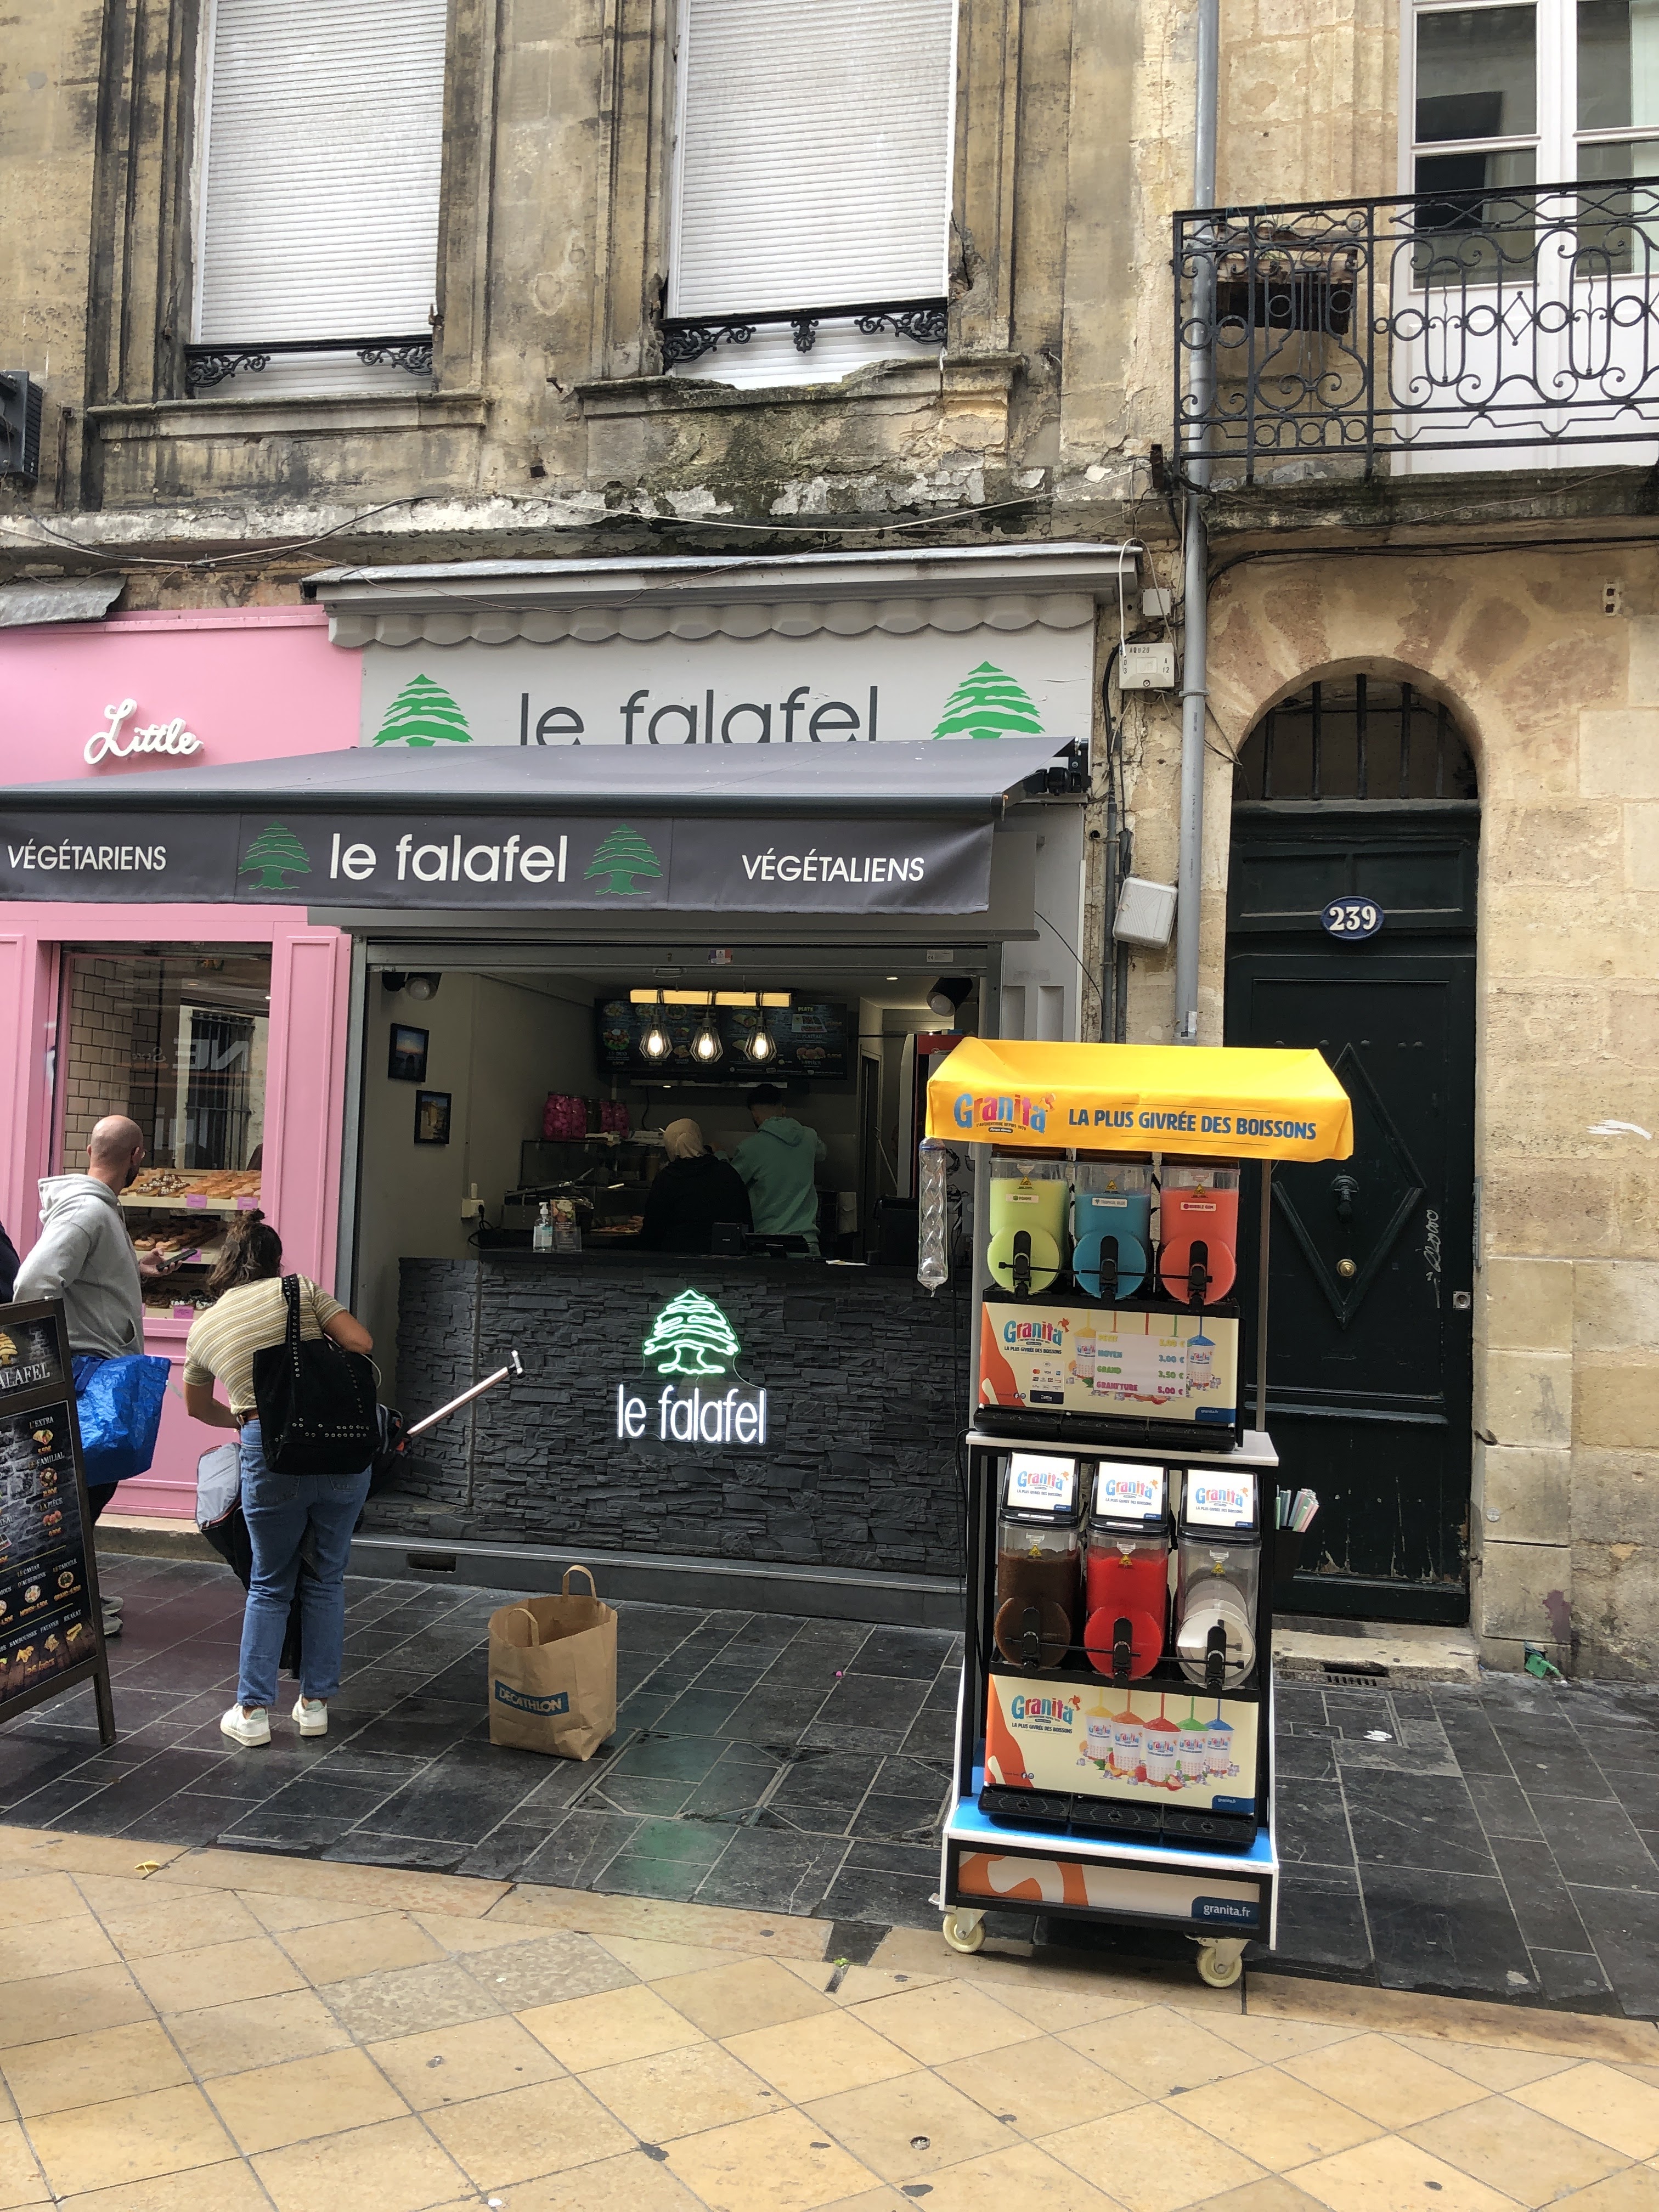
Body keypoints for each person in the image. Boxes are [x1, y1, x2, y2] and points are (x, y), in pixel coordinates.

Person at [181, 1211, 375, 1748]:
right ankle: (315, 1706)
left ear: (226, 1263)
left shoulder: (205, 1325)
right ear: (274, 1258)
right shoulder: (300, 1291)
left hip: (267, 1452)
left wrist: (246, 1421)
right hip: (340, 1448)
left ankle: (252, 1712)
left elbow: (197, 1407)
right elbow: (361, 1343)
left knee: (270, 1582)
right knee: (327, 1578)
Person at [14, 1115, 182, 1637]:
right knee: (83, 1490)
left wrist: (134, 1266)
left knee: (87, 1487)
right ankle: (63, 1604)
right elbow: (33, 1282)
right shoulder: (88, 1210)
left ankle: (72, 1591)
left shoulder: (97, 1209)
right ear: (137, 1158)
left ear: (90, 1151)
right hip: (86, 1373)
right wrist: (48, 1358)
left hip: (90, 1368)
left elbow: (83, 1276)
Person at [731, 1085, 828, 1255]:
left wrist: (719, 1156)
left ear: (755, 1115)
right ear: (783, 1109)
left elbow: (730, 1182)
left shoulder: (750, 1148)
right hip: (807, 1242)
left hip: (767, 1243)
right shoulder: (809, 1136)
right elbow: (823, 1154)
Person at [640, 1118, 752, 1254]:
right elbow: (746, 1221)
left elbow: (652, 1232)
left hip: (676, 1257)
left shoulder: (667, 1178)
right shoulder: (727, 1173)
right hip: (725, 1257)